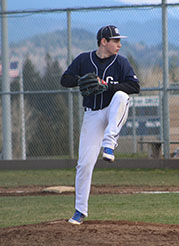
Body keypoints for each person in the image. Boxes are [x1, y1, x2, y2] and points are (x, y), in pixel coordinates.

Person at [60, 25, 140, 225]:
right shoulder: (83, 59)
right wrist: (80, 80)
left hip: (112, 111)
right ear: (104, 41)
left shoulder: (121, 62)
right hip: (92, 116)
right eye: (115, 41)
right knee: (84, 164)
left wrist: (108, 85)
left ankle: (109, 142)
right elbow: (65, 79)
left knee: (122, 96)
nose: (119, 45)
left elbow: (134, 86)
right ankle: (79, 211)